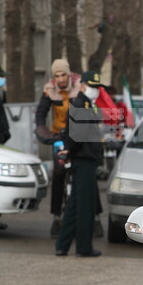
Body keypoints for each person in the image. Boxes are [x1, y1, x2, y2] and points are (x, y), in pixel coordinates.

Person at [55, 71, 106, 257]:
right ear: (83, 85)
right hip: (83, 159)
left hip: (84, 158)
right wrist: (72, 152)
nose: (96, 90)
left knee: (75, 204)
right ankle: (83, 247)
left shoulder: (86, 105)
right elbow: (77, 136)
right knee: (85, 206)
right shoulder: (81, 104)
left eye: (97, 87)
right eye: (93, 86)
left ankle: (62, 245)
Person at [36, 59, 82, 235]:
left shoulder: (79, 87)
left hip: (76, 136)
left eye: (63, 74)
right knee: (58, 173)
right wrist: (42, 129)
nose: (60, 79)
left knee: (84, 172)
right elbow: (41, 113)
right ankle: (56, 216)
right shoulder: (50, 89)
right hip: (59, 135)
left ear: (68, 74)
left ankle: (94, 216)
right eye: (57, 76)